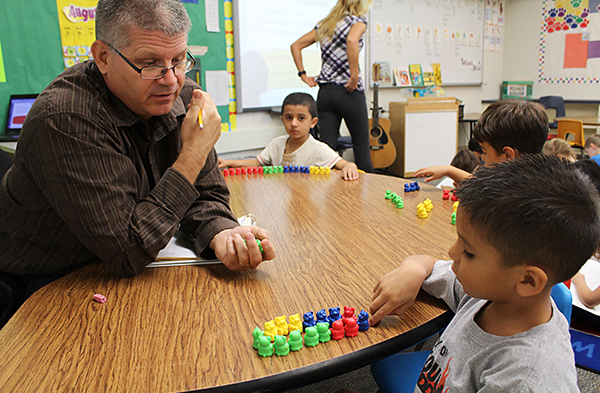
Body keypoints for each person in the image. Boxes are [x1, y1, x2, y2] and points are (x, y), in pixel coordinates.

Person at [0, 0, 275, 296]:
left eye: (179, 59)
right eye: (150, 64)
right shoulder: (64, 118)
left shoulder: (183, 96)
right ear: (103, 56)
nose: (170, 81)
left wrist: (221, 231)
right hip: (56, 275)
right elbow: (127, 248)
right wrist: (193, 153)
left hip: (136, 258)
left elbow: (205, 195)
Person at [366, 155, 600, 393]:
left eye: (468, 252)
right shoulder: (489, 294)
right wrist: (413, 270)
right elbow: (427, 264)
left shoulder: (522, 385)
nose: (452, 252)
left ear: (528, 281)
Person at [290, 0, 374, 173]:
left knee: (326, 149)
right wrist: (354, 76)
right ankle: (369, 194)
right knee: (361, 144)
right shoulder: (358, 21)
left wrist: (303, 75)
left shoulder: (325, 25)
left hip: (325, 93)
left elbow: (295, 46)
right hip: (348, 92)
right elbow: (352, 40)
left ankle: (326, 196)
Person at [218, 93, 359, 180]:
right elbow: (257, 163)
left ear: (313, 122)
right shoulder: (276, 144)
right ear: (282, 119)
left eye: (301, 118)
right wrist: (229, 162)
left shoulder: (318, 149)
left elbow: (344, 164)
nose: (294, 124)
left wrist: (350, 166)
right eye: (289, 117)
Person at [414, 99, 548, 184]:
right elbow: (480, 183)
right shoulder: (532, 175)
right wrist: (450, 170)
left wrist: (467, 195)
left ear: (508, 155)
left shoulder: (510, 197)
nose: (483, 158)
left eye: (485, 152)